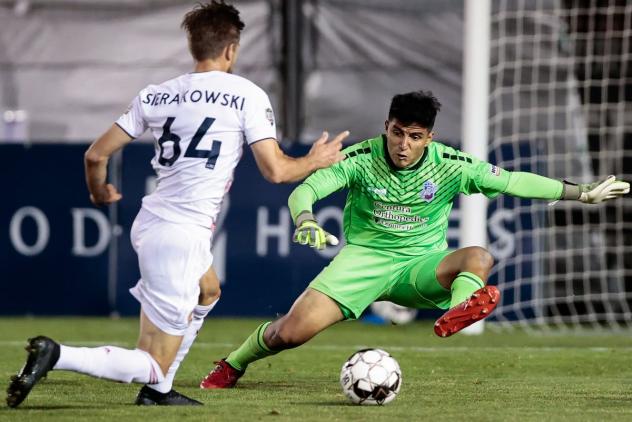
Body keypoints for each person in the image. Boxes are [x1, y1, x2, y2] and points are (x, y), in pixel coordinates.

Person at [6, 0, 348, 408]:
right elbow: (276, 171)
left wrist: (99, 192)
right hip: (180, 236)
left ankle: (159, 393)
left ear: (193, 46)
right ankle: (59, 355)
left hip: (153, 221)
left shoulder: (158, 94)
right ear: (231, 49)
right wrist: (315, 160)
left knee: (209, 290)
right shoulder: (246, 95)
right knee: (150, 360)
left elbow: (95, 156)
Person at [199, 90, 630, 389]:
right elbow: (304, 189)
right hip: (363, 262)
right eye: (397, 132)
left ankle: (461, 309)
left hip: (419, 265)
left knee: (477, 256)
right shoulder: (361, 157)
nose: (404, 145)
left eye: (415, 136)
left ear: (430, 137)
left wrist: (581, 192)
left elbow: (514, 179)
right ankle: (232, 364)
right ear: (386, 126)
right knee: (290, 333)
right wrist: (305, 219)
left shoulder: (452, 164)